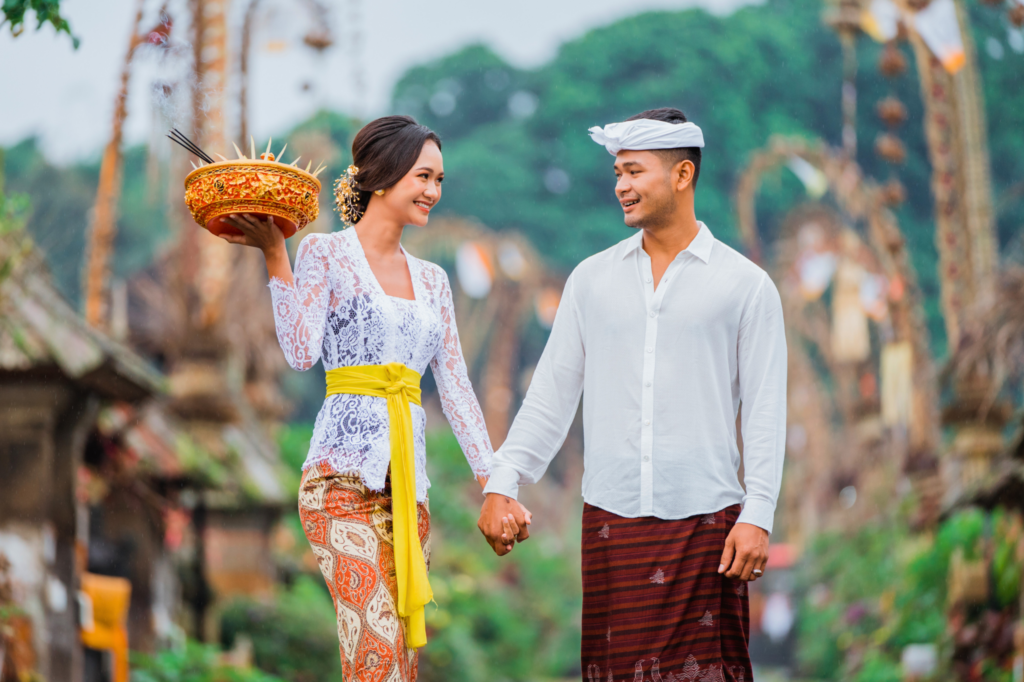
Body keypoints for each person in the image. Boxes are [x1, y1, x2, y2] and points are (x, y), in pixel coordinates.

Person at [477, 108, 787, 682]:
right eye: (617, 172)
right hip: (610, 524)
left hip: (708, 527)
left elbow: (767, 409)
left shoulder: (745, 286)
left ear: (682, 175)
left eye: (635, 171)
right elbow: (552, 393)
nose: (621, 185)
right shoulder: (590, 281)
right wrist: (504, 479)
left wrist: (759, 513)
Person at [220, 115, 529, 681]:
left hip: (408, 494)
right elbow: (299, 352)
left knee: (399, 660)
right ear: (383, 177)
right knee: (377, 648)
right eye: (423, 177)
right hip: (339, 482)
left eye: (439, 180)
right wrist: (274, 255)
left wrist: (496, 484)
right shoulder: (324, 254)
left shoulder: (434, 280)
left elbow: (457, 387)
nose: (433, 192)